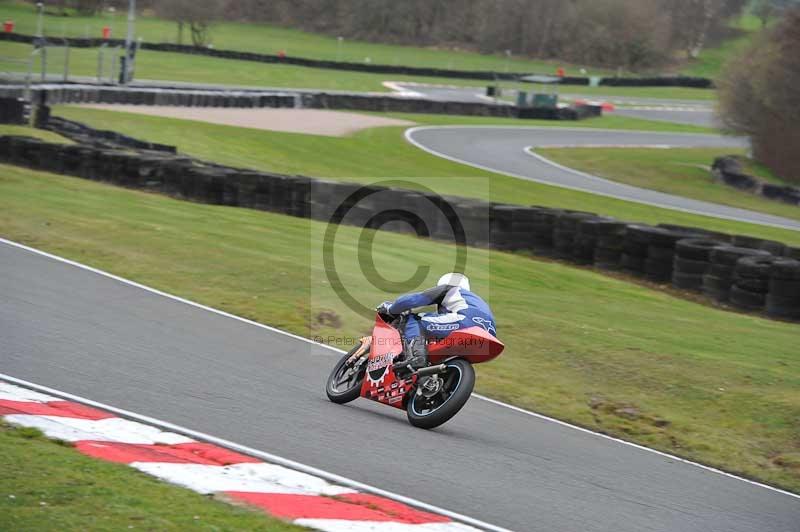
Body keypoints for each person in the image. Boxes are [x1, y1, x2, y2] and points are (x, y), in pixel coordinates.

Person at [377, 273, 497, 372]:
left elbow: (413, 300)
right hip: (490, 333)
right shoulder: (476, 300)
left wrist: (391, 308)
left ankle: (416, 357)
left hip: (465, 322)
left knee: (414, 320)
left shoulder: (450, 289)